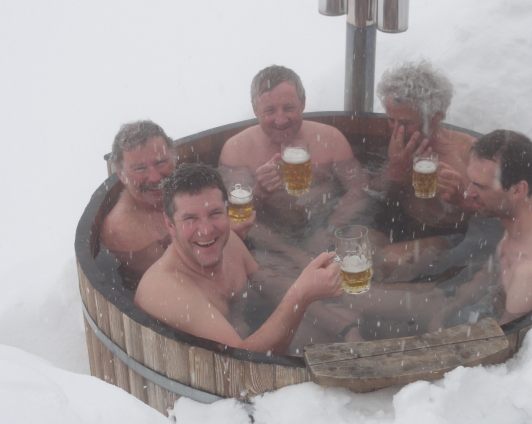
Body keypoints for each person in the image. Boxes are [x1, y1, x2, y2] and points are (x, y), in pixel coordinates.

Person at [134, 163, 362, 355]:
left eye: (215, 213)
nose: (206, 230)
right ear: (170, 224)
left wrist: (346, 328)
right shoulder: (166, 289)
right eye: (190, 219)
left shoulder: (228, 242)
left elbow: (272, 286)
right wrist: (301, 294)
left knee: (350, 316)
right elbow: (241, 363)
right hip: (217, 377)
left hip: (247, 340)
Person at [219, 65, 369, 273]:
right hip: (273, 243)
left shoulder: (330, 139)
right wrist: (259, 194)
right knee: (254, 273)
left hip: (327, 225)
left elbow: (361, 189)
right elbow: (234, 219)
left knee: (374, 254)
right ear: (255, 110)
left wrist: (330, 229)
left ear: (303, 103)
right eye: (270, 111)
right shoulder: (238, 149)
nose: (281, 120)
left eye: (288, 108)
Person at [428, 130, 532, 329]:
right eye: (471, 181)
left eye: (480, 186)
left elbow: (505, 341)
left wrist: (440, 334)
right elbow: (490, 272)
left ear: (517, 190)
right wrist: (447, 311)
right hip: (487, 304)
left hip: (493, 322)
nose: (468, 192)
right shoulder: (523, 220)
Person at [372, 61, 480, 281]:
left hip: (448, 235)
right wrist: (394, 172)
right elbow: (374, 197)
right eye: (391, 120)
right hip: (401, 222)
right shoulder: (399, 144)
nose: (397, 129)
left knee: (389, 260)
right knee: (350, 242)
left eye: (406, 122)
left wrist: (462, 200)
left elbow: (497, 213)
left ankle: (426, 295)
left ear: (435, 117)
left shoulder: (468, 154)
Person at [100, 120, 176, 278]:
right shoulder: (126, 229)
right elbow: (173, 280)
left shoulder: (181, 189)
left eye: (161, 162)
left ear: (174, 158)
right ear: (121, 174)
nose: (155, 177)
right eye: (140, 168)